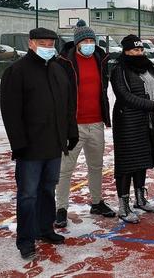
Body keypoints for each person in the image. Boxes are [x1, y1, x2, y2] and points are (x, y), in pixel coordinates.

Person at [0, 27, 78, 260]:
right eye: (42, 43)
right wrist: (19, 144)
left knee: (47, 190)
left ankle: (45, 229)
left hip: (54, 145)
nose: (47, 47)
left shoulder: (58, 70)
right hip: (30, 148)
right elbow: (10, 112)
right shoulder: (17, 71)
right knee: (28, 195)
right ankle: (25, 239)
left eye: (50, 43)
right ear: (31, 43)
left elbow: (68, 106)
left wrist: (71, 132)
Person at [54, 20, 115, 228]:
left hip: (96, 123)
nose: (89, 43)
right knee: (65, 169)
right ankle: (60, 208)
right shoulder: (64, 61)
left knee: (96, 166)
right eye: (85, 40)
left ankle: (96, 202)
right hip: (74, 125)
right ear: (77, 42)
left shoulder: (100, 58)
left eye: (92, 40)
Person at [110, 34, 154, 223]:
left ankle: (140, 199)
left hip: (146, 122)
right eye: (135, 50)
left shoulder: (148, 67)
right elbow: (124, 96)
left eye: (141, 50)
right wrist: (151, 105)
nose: (139, 53)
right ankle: (123, 206)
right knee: (126, 164)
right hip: (127, 122)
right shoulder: (119, 70)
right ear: (126, 51)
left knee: (142, 160)